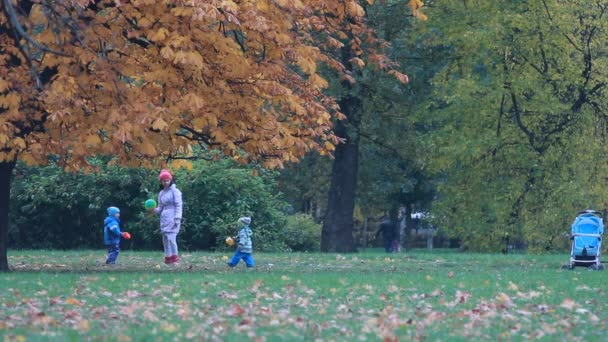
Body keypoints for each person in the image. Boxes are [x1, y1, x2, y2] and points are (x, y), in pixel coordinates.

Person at [153, 169, 183, 265]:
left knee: (171, 238)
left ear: (170, 180)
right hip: (164, 217)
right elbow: (160, 208)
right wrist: (153, 210)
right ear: (161, 182)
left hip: (173, 216)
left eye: (167, 180)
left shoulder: (175, 191)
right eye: (163, 181)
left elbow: (179, 205)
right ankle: (168, 259)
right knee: (165, 240)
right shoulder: (161, 193)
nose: (165, 182)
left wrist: (177, 218)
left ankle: (175, 259)